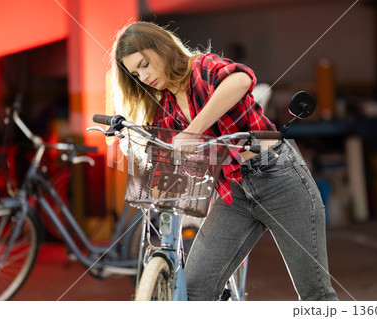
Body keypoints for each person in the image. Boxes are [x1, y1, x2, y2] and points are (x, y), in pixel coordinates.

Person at [111, 21, 338, 301]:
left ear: (162, 49)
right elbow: (169, 152)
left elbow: (241, 80)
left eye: (145, 64)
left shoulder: (201, 68)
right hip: (235, 193)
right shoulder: (165, 107)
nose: (143, 76)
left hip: (279, 178)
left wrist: (192, 131)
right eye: (135, 73)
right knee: (194, 291)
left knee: (315, 295)